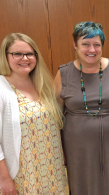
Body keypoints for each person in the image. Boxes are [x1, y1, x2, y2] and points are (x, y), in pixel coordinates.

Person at [54, 21, 109, 195]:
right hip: (77, 144)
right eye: (85, 44)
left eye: (97, 44)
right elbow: (56, 115)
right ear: (75, 45)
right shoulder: (63, 73)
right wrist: (59, 150)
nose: (91, 50)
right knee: (82, 182)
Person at [0, 33, 67, 195]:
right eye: (17, 54)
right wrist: (4, 179)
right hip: (24, 174)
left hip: (52, 170)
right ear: (5, 56)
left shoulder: (43, 84)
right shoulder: (2, 89)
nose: (25, 58)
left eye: (30, 54)